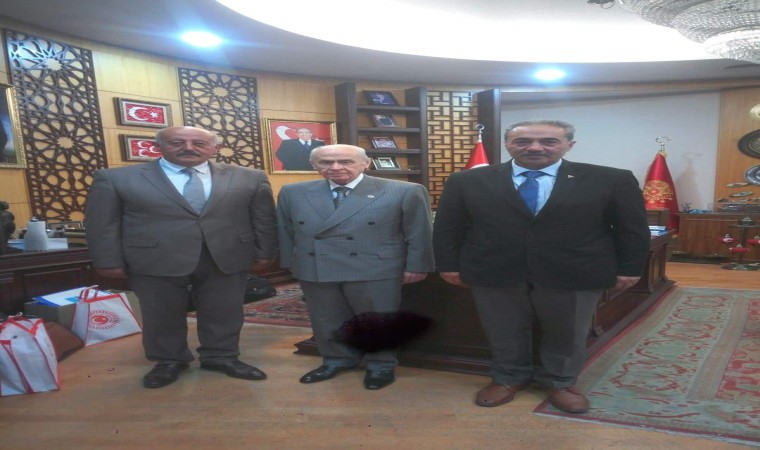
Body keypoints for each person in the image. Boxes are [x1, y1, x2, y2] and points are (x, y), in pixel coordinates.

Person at [433, 119, 649, 413]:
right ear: (507, 144)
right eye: (523, 141)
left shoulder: (611, 179)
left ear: (569, 145)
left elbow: (632, 228)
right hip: (493, 269)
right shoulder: (467, 181)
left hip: (575, 270)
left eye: (549, 141)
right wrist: (448, 264)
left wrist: (630, 267)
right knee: (502, 329)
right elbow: (448, 227)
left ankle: (561, 382)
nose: (535, 147)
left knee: (568, 332)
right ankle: (508, 378)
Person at [85, 126, 278, 389]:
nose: (188, 147)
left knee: (225, 311)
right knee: (160, 313)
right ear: (158, 147)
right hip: (154, 257)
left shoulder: (249, 177)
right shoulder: (116, 178)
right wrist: (108, 260)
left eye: (199, 143)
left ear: (216, 148)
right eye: (177, 142)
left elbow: (263, 218)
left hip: (225, 254)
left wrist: (266, 252)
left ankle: (221, 356)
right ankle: (169, 360)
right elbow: (102, 224)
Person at [277, 144, 434, 390]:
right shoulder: (293, 192)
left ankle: (380, 365)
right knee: (326, 318)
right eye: (326, 162)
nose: (335, 167)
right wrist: (290, 262)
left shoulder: (404, 190)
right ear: (314, 165)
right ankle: (336, 359)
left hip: (376, 267)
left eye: (345, 161)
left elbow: (419, 232)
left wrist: (418, 265)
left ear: (366, 163)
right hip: (315, 264)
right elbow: (285, 231)